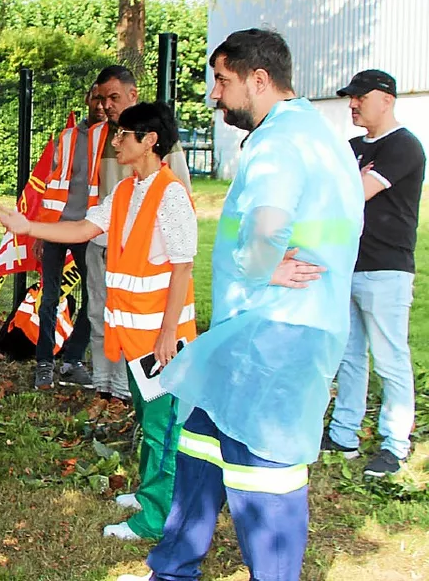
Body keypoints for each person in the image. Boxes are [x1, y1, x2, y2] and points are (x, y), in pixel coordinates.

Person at [118, 30, 364, 581]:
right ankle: (173, 568)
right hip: (264, 328)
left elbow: (267, 226)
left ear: (259, 79)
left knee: (263, 471)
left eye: (222, 81)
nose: (214, 94)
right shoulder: (316, 135)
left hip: (274, 332)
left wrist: (259, 266)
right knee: (200, 443)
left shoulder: (278, 143)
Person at [0, 102, 197, 543]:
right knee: (149, 418)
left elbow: (183, 267)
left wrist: (168, 334)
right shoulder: (126, 190)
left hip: (161, 339)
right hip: (134, 335)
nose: (115, 141)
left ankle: (156, 518)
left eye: (124, 134)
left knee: (163, 427)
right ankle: (150, 494)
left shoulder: (171, 194)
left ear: (150, 140)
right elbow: (82, 229)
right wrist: (28, 226)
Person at [324, 70, 425, 476]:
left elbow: (354, 194)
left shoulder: (404, 146)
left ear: (386, 99)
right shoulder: (350, 148)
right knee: (348, 356)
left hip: (387, 270)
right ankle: (343, 434)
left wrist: (342, 186)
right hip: (346, 264)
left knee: (389, 358)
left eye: (360, 98)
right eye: (350, 98)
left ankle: (395, 445)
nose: (352, 105)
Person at [87, 66, 192, 405]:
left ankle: (126, 394)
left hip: (147, 277)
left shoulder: (161, 151)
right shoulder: (102, 140)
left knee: (161, 413)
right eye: (101, 98)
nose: (105, 105)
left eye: (113, 97)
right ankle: (108, 388)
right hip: (105, 251)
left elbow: (182, 256)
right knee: (103, 319)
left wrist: (169, 332)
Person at [31, 82, 110, 389]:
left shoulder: (113, 137)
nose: (101, 105)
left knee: (95, 296)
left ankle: (72, 359)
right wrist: (41, 231)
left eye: (106, 99)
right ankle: (44, 363)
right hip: (56, 226)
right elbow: (51, 185)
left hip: (89, 228)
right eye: (96, 98)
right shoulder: (66, 138)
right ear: (87, 99)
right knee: (49, 297)